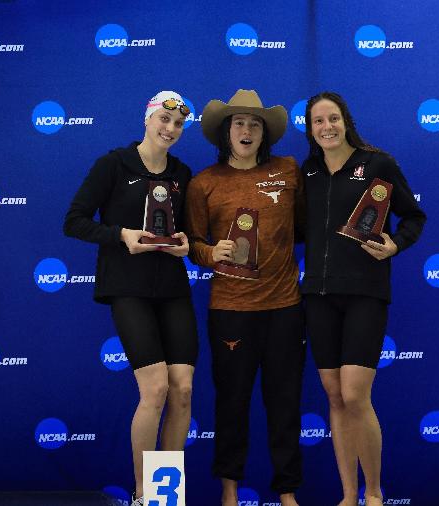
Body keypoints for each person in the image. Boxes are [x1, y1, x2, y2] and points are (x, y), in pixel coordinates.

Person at [64, 91, 196, 506]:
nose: (170, 129)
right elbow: (75, 221)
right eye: (164, 120)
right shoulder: (114, 164)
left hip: (172, 289)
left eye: (177, 125)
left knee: (183, 390)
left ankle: (165, 497)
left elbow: (188, 231)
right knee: (155, 389)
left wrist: (185, 245)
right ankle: (145, 497)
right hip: (127, 287)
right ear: (148, 118)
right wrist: (121, 236)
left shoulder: (182, 173)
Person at [301, 92, 425, 506]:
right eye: (317, 121)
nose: (326, 127)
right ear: (310, 128)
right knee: (335, 396)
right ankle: (348, 496)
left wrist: (395, 245)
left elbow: (414, 216)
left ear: (345, 120)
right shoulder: (309, 171)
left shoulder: (378, 165)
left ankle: (374, 494)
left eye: (332, 118)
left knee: (355, 395)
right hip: (317, 295)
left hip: (365, 294)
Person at [184, 89, 305, 506]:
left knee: (285, 403)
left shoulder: (289, 170)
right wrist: (208, 252)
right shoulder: (204, 183)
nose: (247, 130)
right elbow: (193, 243)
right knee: (232, 403)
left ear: (264, 132)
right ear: (225, 131)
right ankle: (229, 491)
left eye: (255, 124)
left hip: (285, 308)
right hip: (230, 310)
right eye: (239, 123)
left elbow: (304, 227)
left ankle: (287, 493)